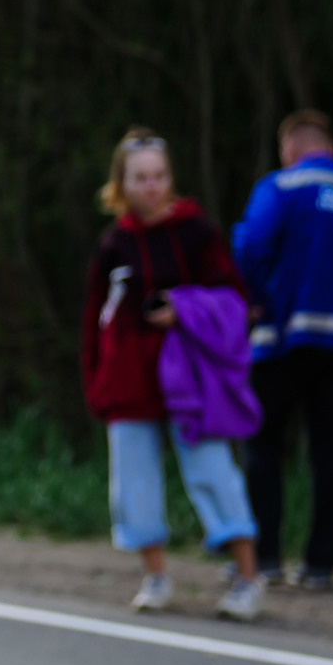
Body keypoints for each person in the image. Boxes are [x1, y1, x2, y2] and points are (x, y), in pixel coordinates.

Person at [80, 129, 265, 620]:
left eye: (159, 176)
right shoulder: (114, 243)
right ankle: (156, 577)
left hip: (191, 378)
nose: (151, 186)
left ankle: (248, 579)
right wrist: (97, 382)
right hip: (129, 379)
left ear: (170, 178)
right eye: (140, 177)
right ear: (122, 181)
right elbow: (95, 318)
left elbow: (236, 302)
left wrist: (183, 309)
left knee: (212, 473)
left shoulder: (196, 232)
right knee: (133, 480)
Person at [233, 110, 333, 589]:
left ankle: (265, 557)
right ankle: (321, 566)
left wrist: (256, 300)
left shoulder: (282, 187)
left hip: (288, 336)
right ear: (332, 148)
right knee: (330, 451)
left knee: (263, 444)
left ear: (289, 150)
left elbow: (249, 247)